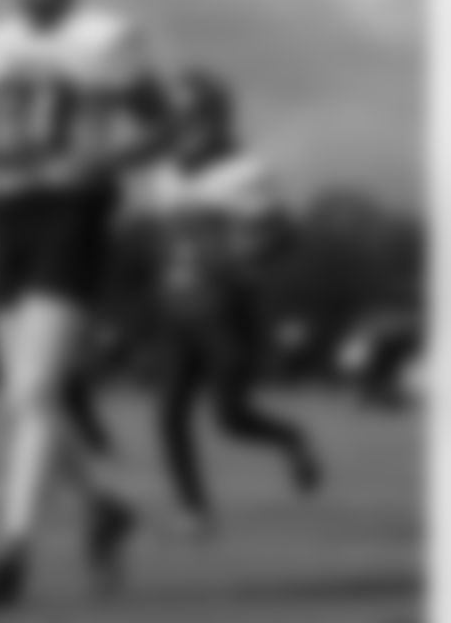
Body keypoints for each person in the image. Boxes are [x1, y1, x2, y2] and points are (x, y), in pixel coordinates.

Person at [0, 0, 171, 610]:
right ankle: (106, 505)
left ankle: (11, 552)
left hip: (70, 216)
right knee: (22, 401)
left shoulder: (107, 39)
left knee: (31, 391)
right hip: (4, 219)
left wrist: (108, 158)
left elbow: (163, 125)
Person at [138, 67, 323, 536]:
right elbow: (159, 245)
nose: (185, 126)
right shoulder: (161, 175)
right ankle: (194, 509)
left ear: (218, 118)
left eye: (195, 115)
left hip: (227, 310)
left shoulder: (246, 171)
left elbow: (285, 235)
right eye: (178, 117)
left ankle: (291, 439)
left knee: (229, 417)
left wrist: (248, 249)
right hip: (177, 310)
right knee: (169, 411)